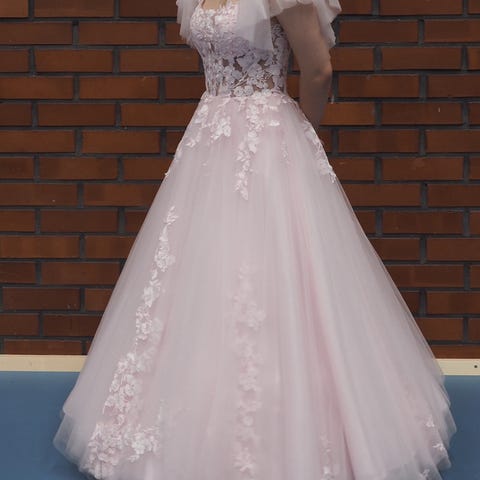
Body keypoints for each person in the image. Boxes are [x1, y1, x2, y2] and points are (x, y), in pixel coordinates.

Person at [52, 1, 457, 479]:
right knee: (200, 276)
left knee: (272, 275)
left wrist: (300, 135)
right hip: (210, 138)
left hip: (267, 143)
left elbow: (318, 68)